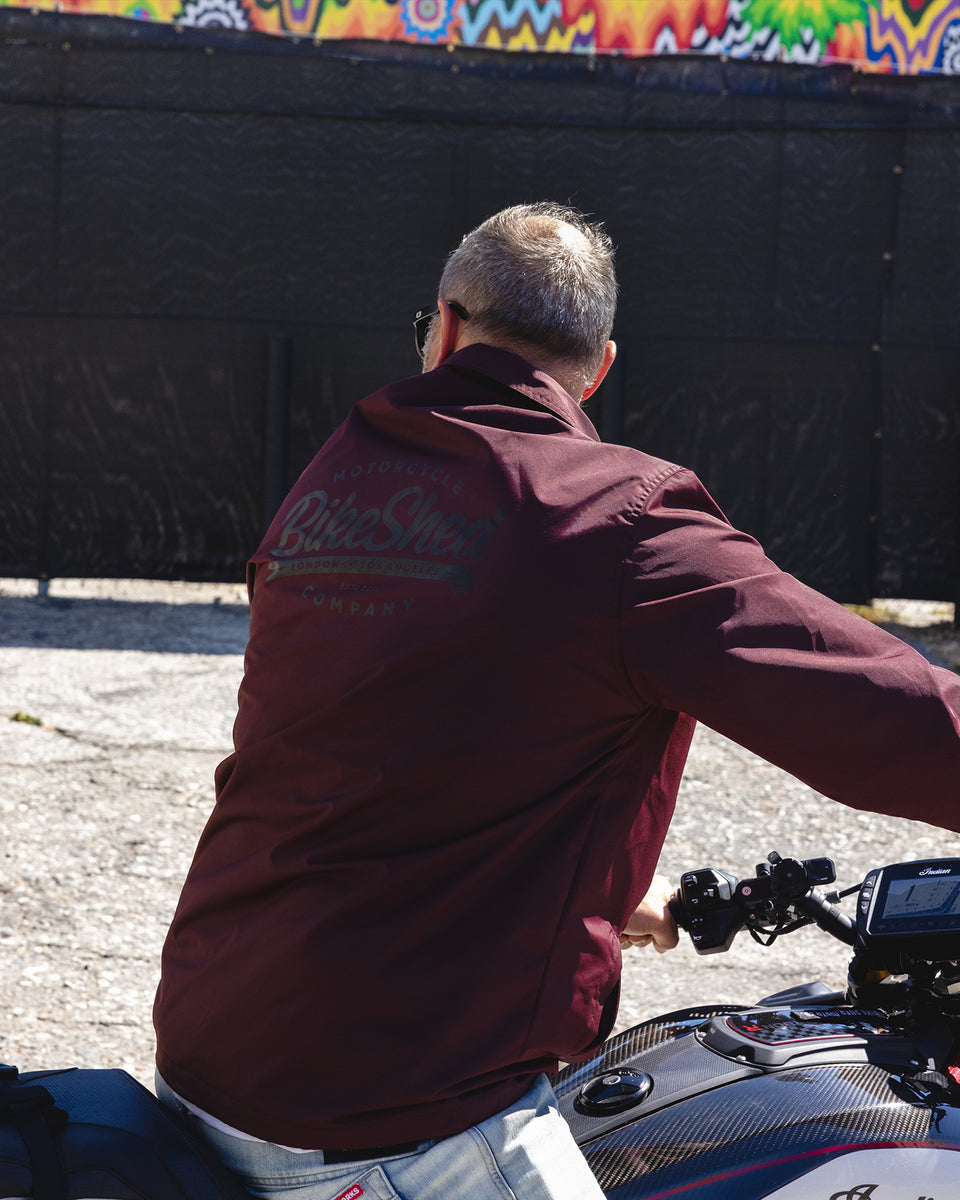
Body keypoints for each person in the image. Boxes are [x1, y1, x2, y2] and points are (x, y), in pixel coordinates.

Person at [153, 202, 960, 1199]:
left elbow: (394, 744)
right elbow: (887, 715)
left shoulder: (338, 477)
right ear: (601, 366)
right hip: (398, 1115)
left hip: (214, 1042)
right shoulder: (618, 521)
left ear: (444, 330)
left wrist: (612, 895)